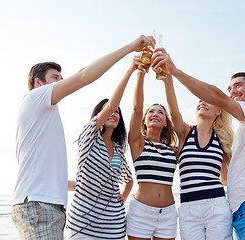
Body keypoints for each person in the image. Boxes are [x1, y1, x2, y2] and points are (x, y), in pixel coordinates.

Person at [12, 35, 155, 240]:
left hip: (55, 208)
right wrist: (130, 49)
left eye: (62, 79)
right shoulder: (35, 99)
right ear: (38, 83)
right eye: (56, 78)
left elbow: (120, 179)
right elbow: (84, 76)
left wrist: (116, 194)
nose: (62, 82)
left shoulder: (46, 117)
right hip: (40, 205)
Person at [151, 49, 245, 240]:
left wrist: (174, 72)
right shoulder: (243, 129)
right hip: (236, 209)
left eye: (238, 86)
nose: (232, 92)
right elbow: (228, 177)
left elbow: (218, 98)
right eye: (230, 89)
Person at [64, 57, 140, 240]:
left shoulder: (117, 150)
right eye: (109, 110)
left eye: (117, 113)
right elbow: (112, 104)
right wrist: (130, 69)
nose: (114, 113)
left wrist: (124, 195)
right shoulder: (89, 137)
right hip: (82, 221)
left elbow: (128, 179)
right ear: (99, 115)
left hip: (113, 223)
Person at [162, 74, 234, 240]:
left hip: (217, 206)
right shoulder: (185, 133)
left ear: (219, 110)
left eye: (208, 100)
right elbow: (174, 112)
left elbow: (226, 179)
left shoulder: (222, 141)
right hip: (188, 208)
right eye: (200, 100)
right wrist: (168, 80)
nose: (202, 102)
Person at [125, 55, 178, 240]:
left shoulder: (172, 150)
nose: (155, 114)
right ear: (145, 120)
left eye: (160, 112)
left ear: (165, 122)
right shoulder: (138, 143)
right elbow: (136, 108)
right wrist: (141, 73)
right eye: (151, 112)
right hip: (142, 213)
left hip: (169, 213)